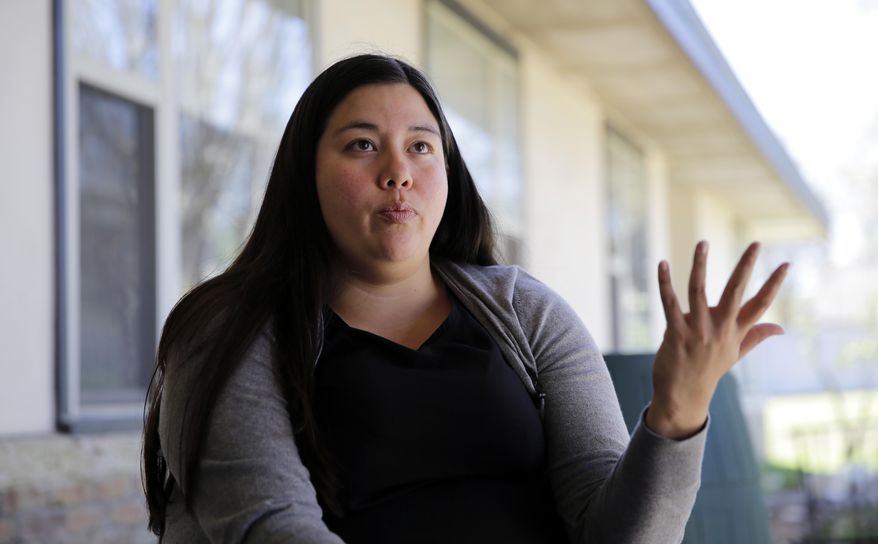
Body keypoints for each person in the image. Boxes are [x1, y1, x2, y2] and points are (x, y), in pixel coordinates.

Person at [142, 54, 790, 543]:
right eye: (362, 145)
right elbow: (271, 528)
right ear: (304, 175)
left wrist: (677, 412)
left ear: (448, 172)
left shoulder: (526, 311)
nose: (398, 172)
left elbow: (614, 532)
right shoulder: (230, 329)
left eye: (421, 147)